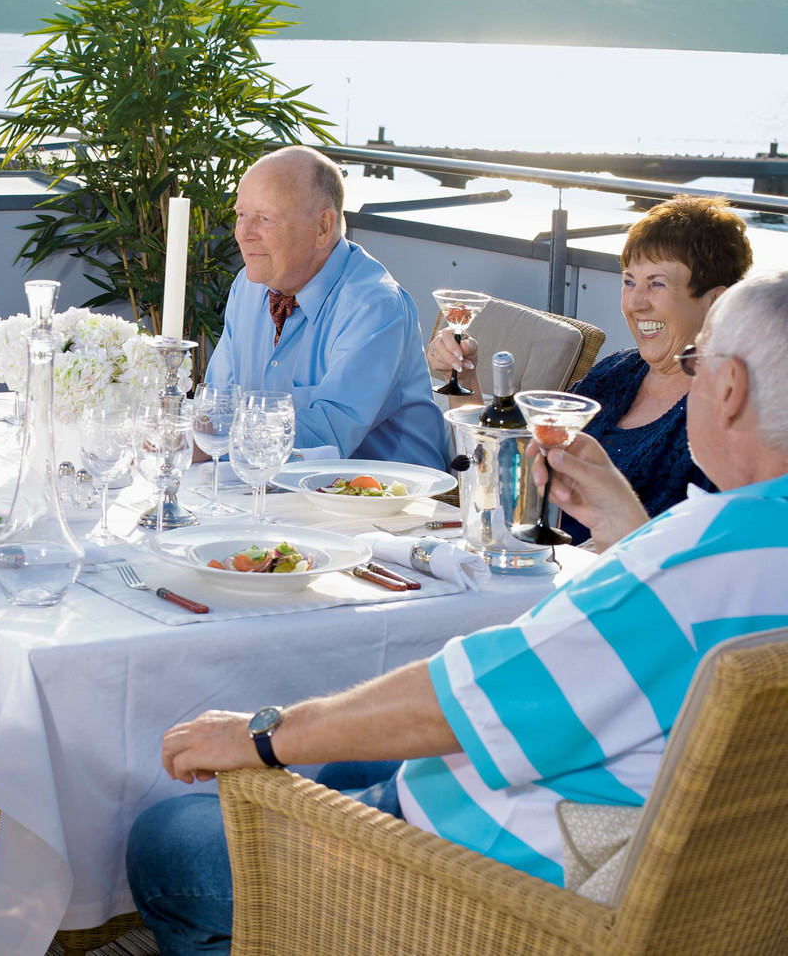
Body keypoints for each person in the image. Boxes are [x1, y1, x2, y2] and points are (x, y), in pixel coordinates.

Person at [127, 269, 788, 956]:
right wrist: (629, 527)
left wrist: (260, 733)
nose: (690, 378)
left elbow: (455, 704)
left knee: (166, 841)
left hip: (489, 884)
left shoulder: (683, 569)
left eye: (695, 361)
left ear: (731, 387)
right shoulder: (725, 548)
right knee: (343, 755)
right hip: (675, 880)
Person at [430, 194, 753, 544]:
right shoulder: (616, 373)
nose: (635, 303)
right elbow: (501, 482)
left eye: (656, 284)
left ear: (715, 300)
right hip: (536, 565)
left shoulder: (727, 414)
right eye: (629, 281)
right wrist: (463, 377)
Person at [202, 146, 444, 469]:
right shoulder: (248, 288)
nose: (243, 233)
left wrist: (212, 438)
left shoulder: (374, 306)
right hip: (286, 495)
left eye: (264, 218)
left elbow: (325, 436)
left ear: (323, 227)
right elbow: (219, 404)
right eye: (241, 214)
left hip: (395, 506)